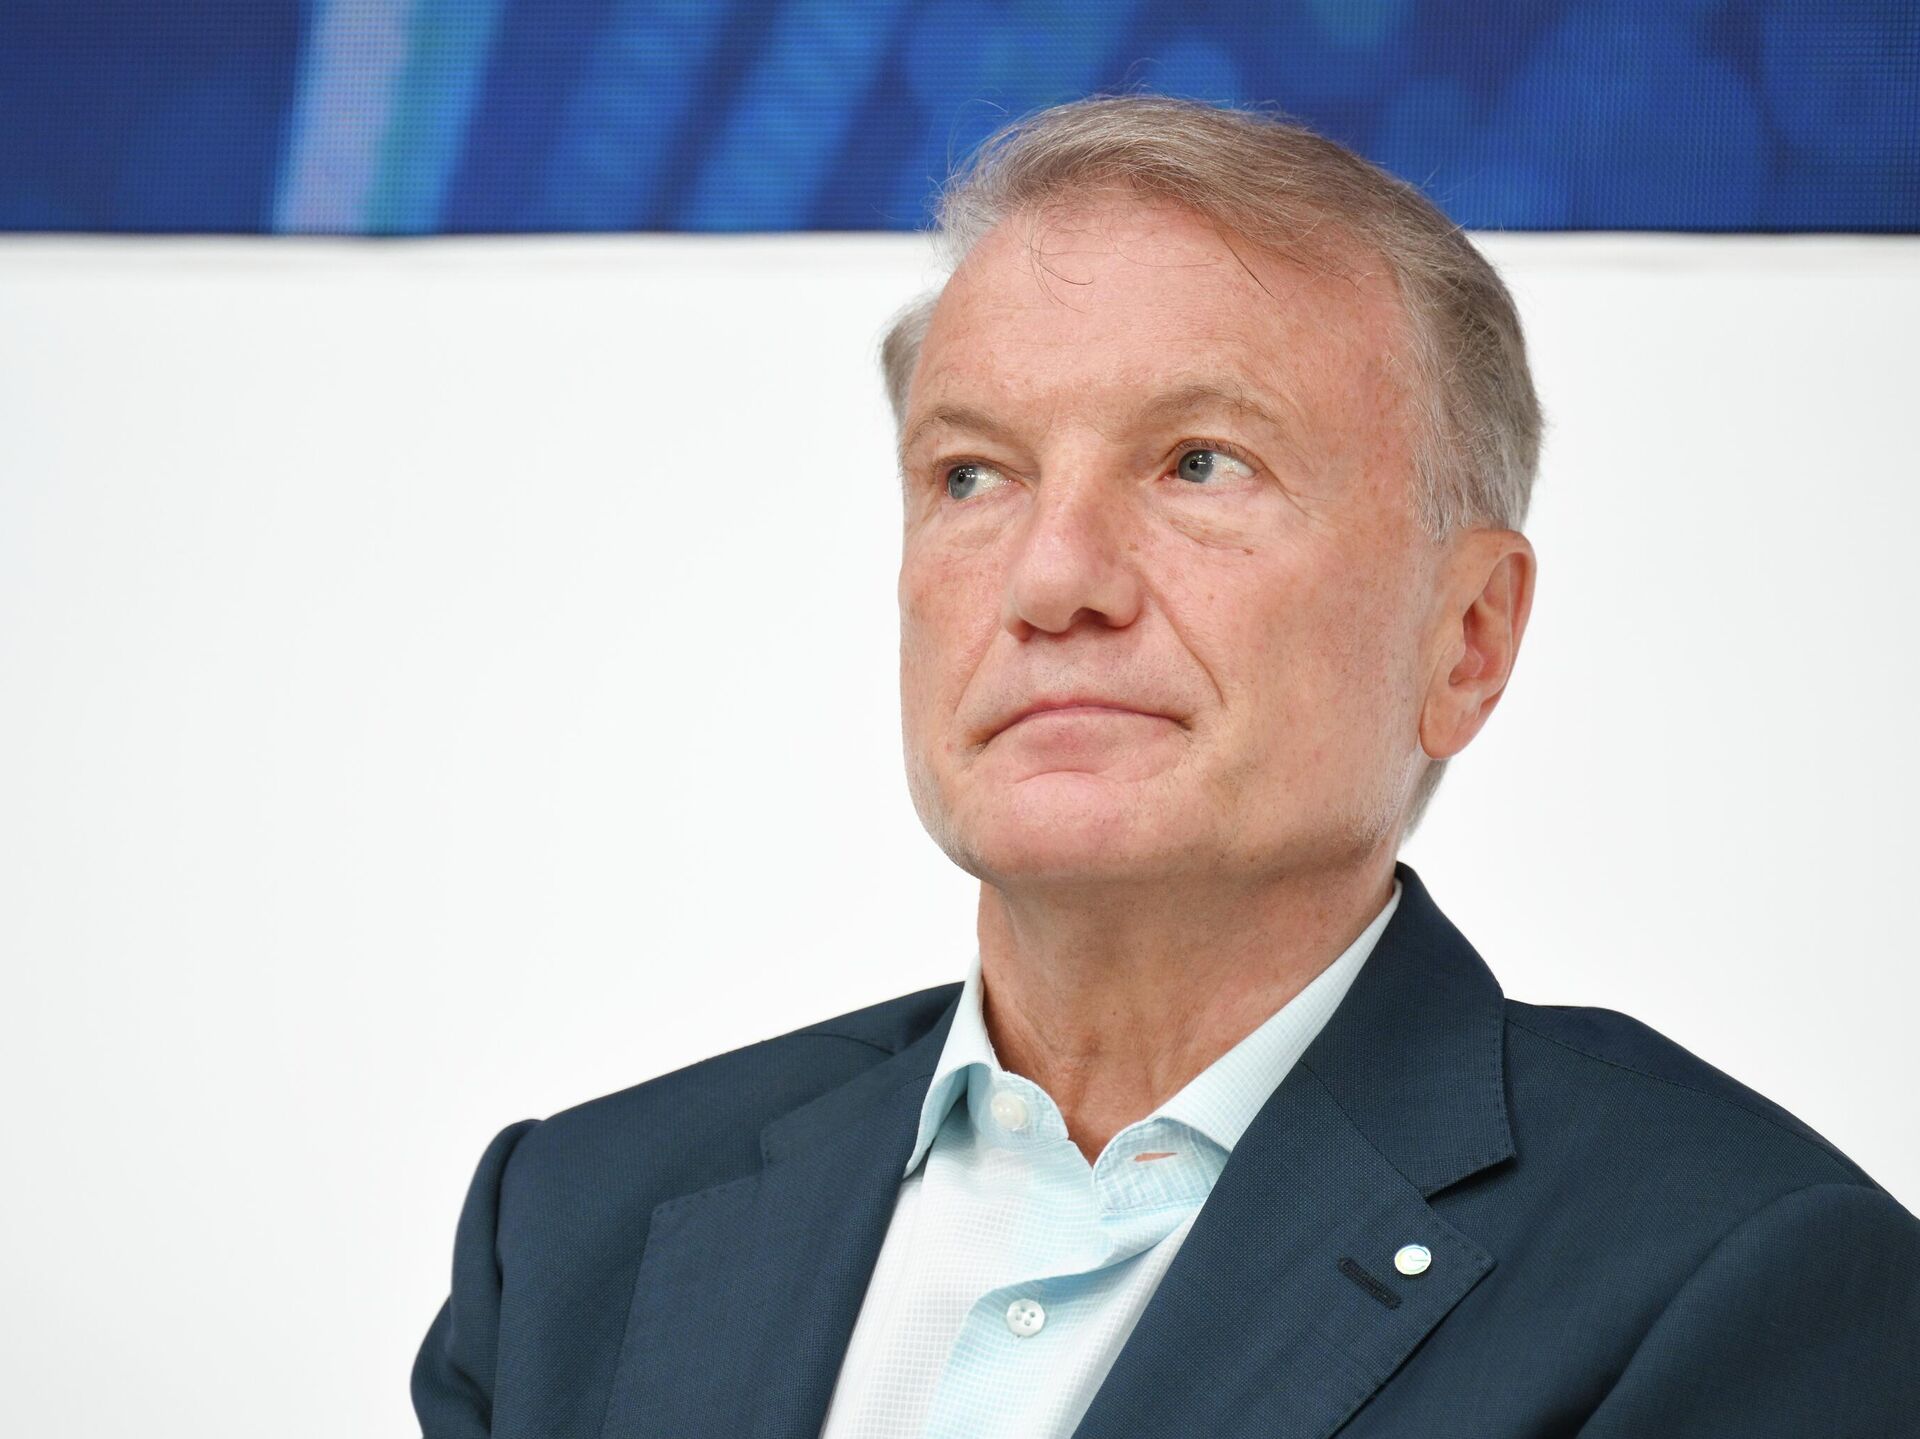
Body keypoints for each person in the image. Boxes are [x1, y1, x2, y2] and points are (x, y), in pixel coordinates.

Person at [411, 94, 1920, 1438]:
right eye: (972, 475)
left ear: (1464, 639)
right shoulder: (576, 1227)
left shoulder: (1732, 1278)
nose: (1051, 578)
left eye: (1201, 462)